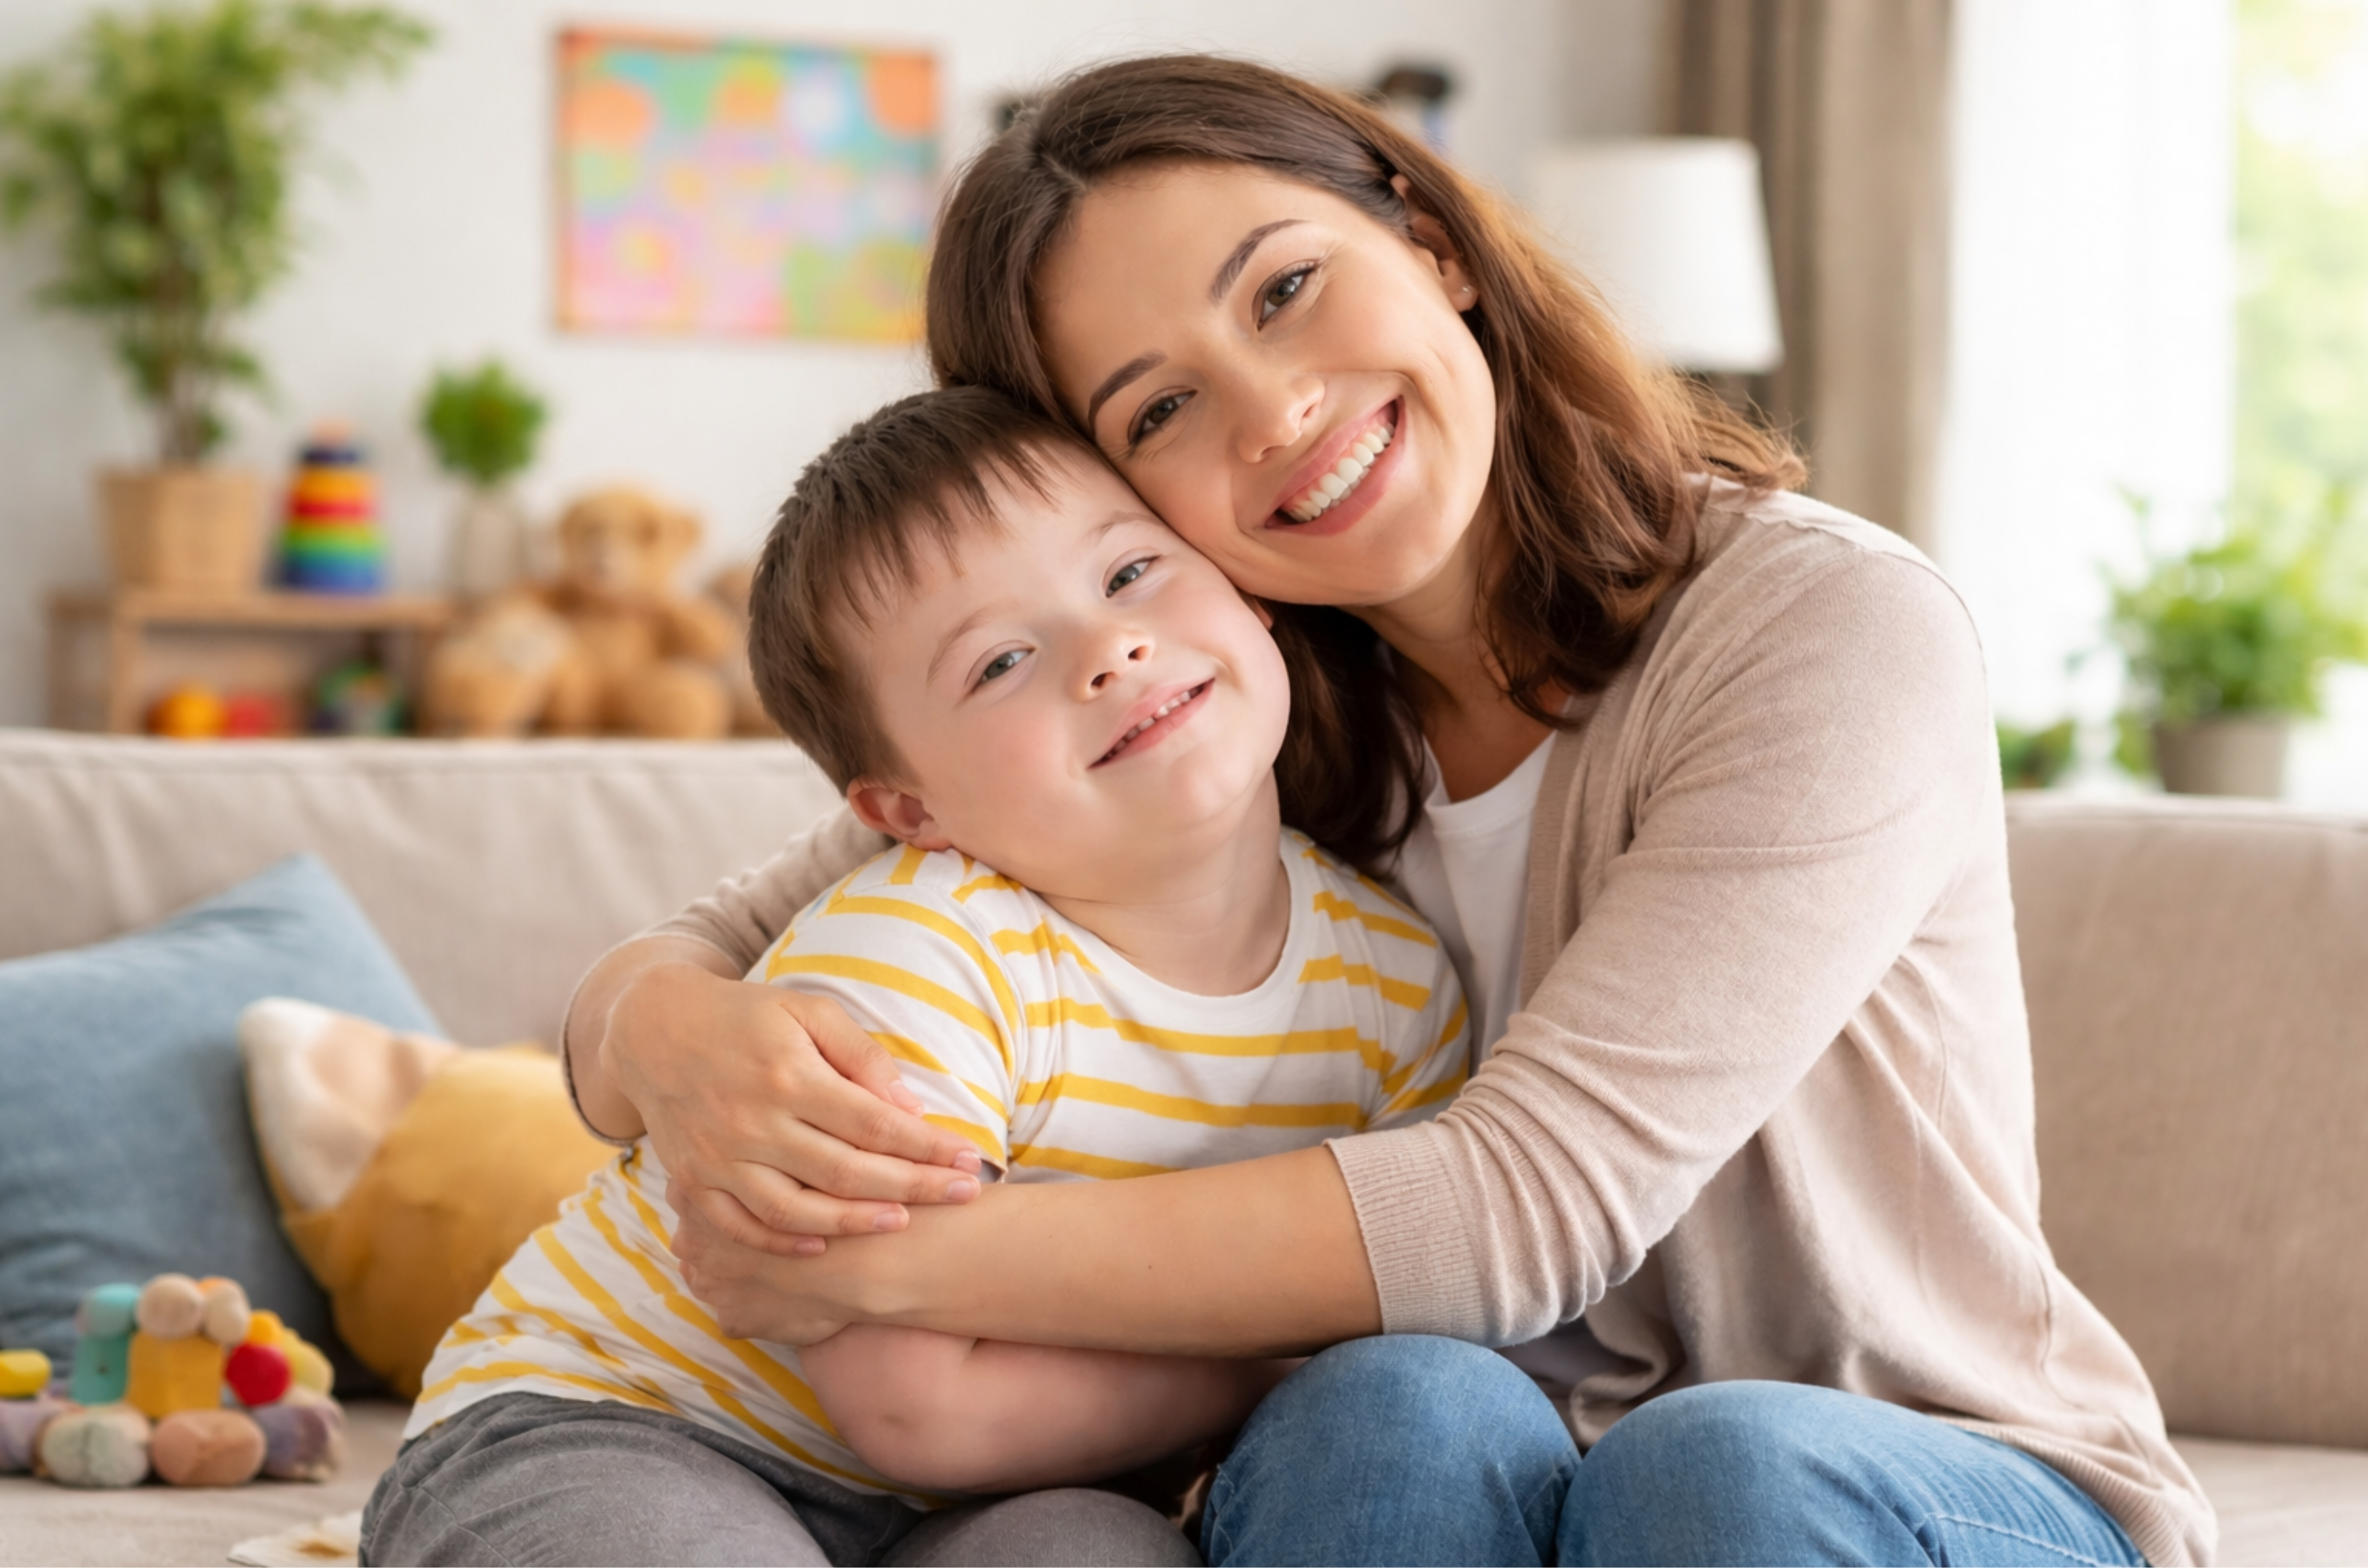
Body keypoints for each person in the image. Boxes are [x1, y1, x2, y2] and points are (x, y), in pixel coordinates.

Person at [569, 56, 2215, 1568]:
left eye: (1287, 289)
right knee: (1392, 1406)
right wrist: (670, 1048)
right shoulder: (1203, 706)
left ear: (1427, 235)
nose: (1273, 411)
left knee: (1713, 1470)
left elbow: (1529, 1207)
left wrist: (889, 1263)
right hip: (1487, 1469)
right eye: (1158, 411)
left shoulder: (1821, 629)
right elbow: (700, 946)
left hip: (1920, 1477)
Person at [363, 388, 1471, 1567]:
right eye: (1000, 661)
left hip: (978, 1499)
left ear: (1246, 589)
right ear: (908, 810)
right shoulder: (921, 951)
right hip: (621, 1421)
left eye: (1132, 572)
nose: (1109, 651)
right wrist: (1276, 1360)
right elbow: (920, 1405)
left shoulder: (1395, 988)